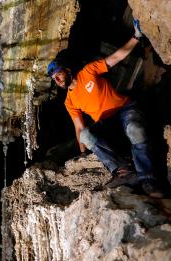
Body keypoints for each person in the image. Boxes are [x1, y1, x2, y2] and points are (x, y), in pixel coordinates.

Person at [47, 19, 163, 198]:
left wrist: (136, 37)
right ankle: (124, 172)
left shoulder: (88, 71)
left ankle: (149, 180)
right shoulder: (69, 101)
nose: (57, 80)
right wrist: (83, 153)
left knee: (135, 130)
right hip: (107, 124)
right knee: (86, 135)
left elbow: (116, 57)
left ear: (67, 70)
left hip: (125, 109)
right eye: (54, 78)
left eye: (58, 74)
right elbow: (79, 127)